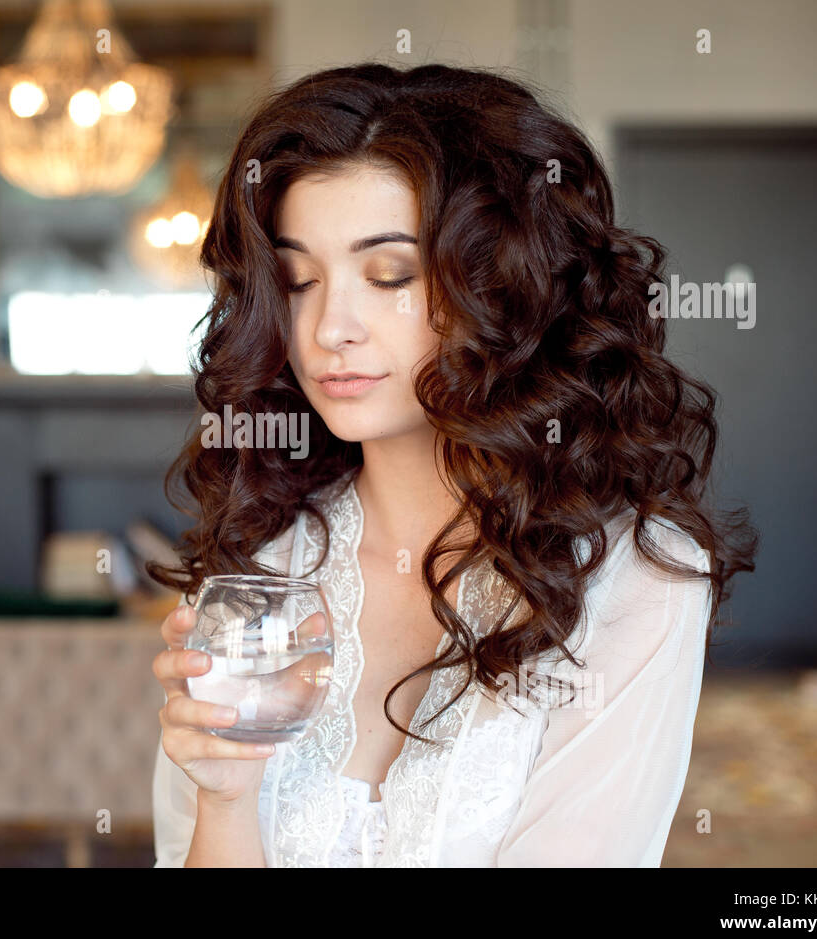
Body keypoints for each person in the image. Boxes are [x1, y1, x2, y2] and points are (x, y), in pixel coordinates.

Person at [146, 62, 757, 867]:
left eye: (389, 275)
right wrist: (226, 802)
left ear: (505, 288)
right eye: (298, 280)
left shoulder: (635, 581)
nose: (331, 327)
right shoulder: (257, 570)